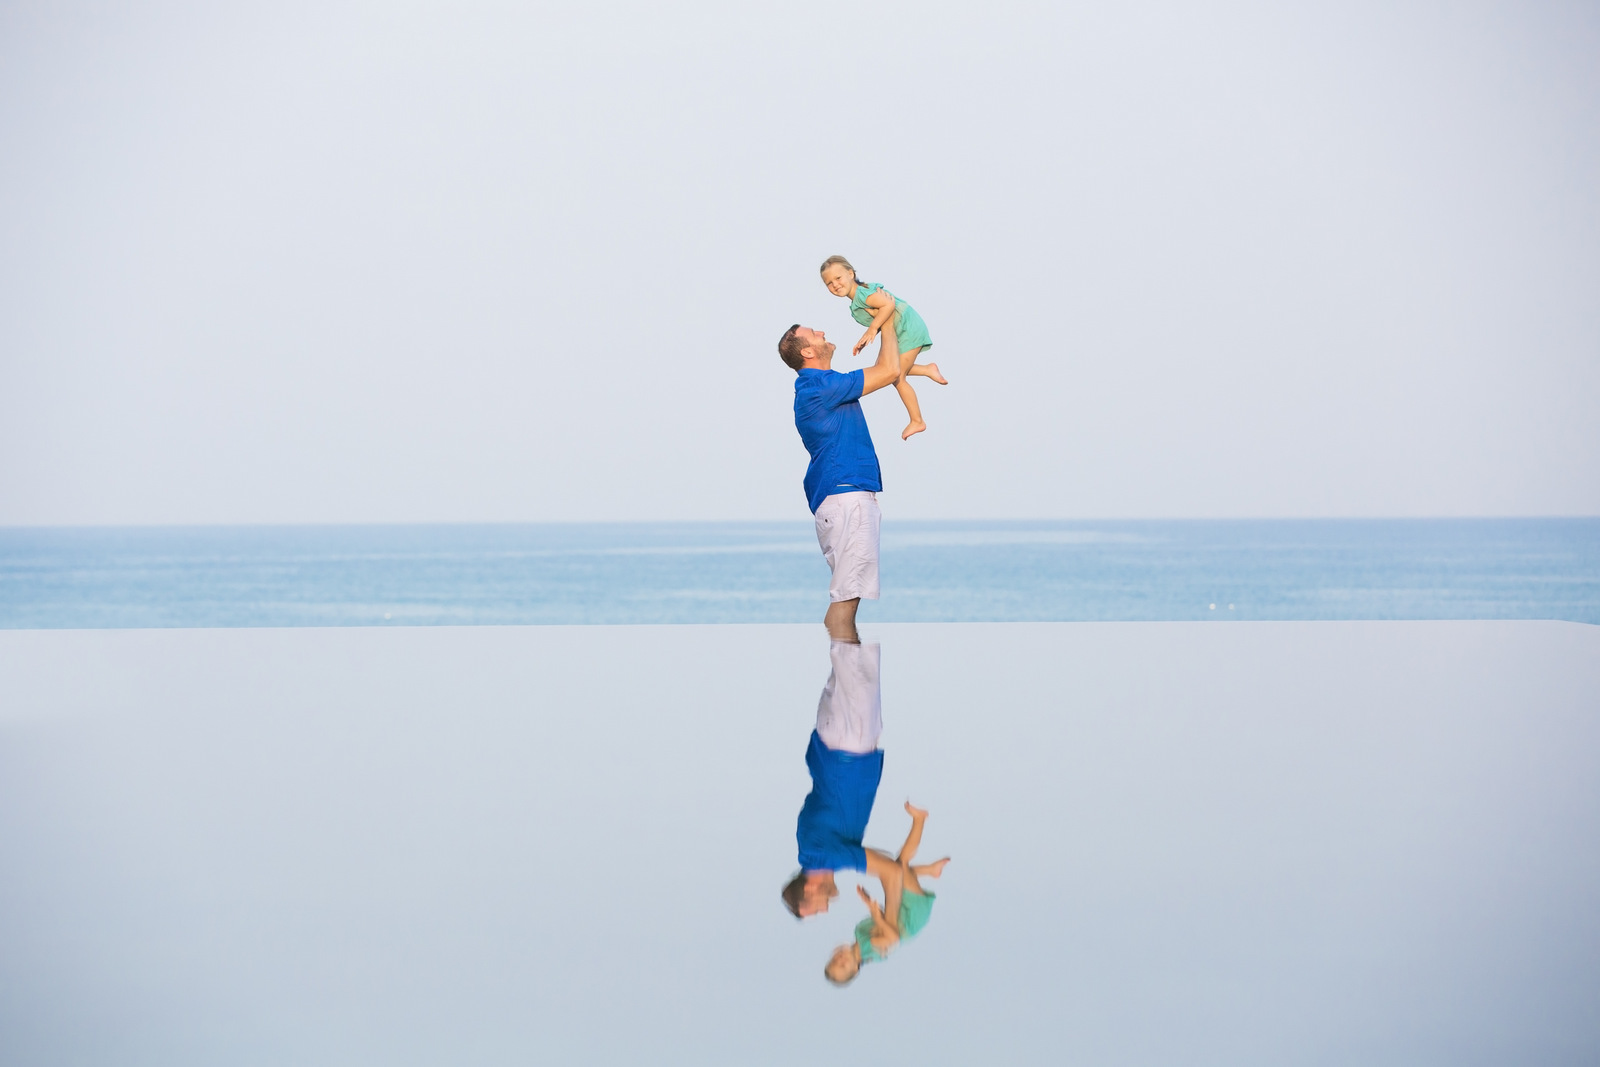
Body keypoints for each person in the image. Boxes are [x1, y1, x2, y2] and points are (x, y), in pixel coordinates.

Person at [777, 315, 900, 641]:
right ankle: (849, 679)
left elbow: (889, 367)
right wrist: (885, 315)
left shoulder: (823, 386)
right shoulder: (821, 388)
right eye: (813, 334)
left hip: (842, 499)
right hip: (848, 499)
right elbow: (890, 370)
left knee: (849, 592)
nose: (821, 332)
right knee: (846, 597)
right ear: (807, 353)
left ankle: (842, 684)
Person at [779, 639, 892, 919]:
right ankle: (849, 596)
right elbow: (889, 864)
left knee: (849, 649)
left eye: (816, 908)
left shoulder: (822, 856)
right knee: (850, 650)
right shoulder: (819, 853)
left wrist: (891, 923)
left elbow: (890, 870)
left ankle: (846, 595)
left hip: (847, 748)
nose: (825, 909)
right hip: (840, 745)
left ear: (807, 891)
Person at [819, 255, 946, 441]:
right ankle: (927, 369)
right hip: (900, 330)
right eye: (829, 283)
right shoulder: (856, 303)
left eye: (838, 278)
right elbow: (880, 316)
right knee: (885, 369)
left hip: (908, 329)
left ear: (850, 273)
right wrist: (866, 337)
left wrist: (872, 329)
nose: (835, 285)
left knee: (897, 377)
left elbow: (888, 304)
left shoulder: (863, 294)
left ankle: (917, 420)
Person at [824, 801, 950, 986]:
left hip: (902, 911)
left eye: (835, 961)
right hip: (911, 917)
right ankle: (919, 820)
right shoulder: (870, 951)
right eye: (843, 966)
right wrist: (877, 915)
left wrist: (870, 904)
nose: (840, 960)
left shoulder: (859, 932)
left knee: (896, 871)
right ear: (856, 968)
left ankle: (930, 871)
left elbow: (887, 911)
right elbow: (893, 937)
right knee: (901, 863)